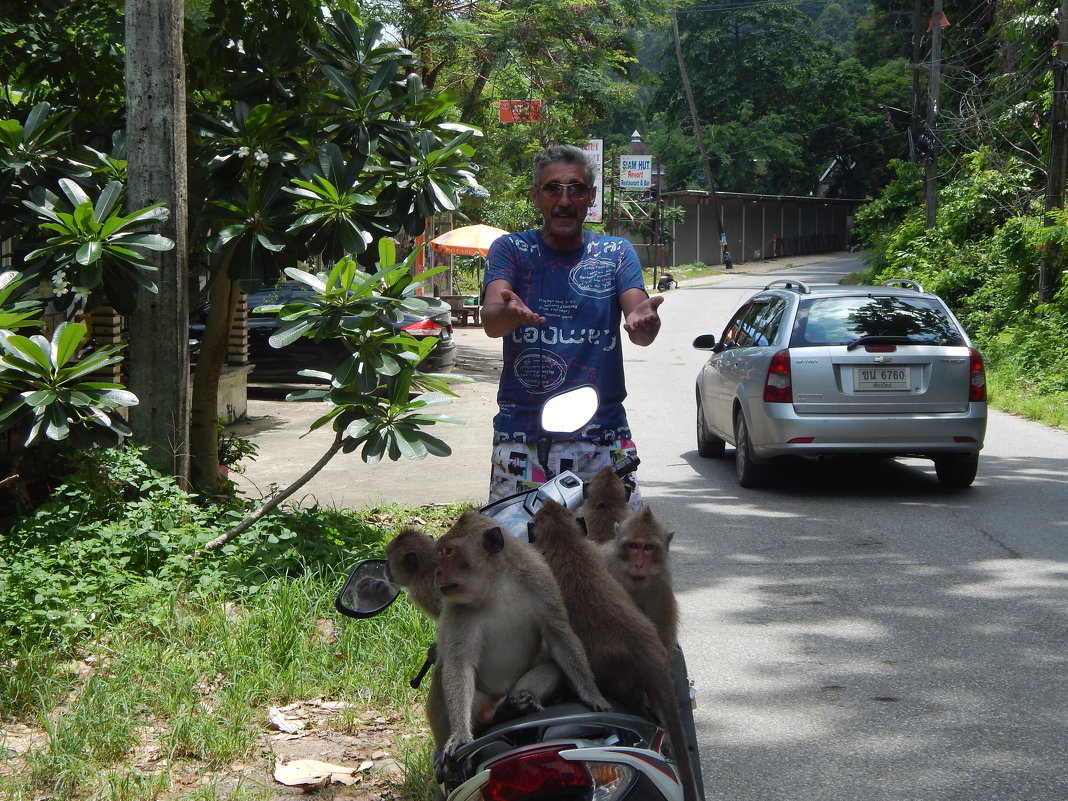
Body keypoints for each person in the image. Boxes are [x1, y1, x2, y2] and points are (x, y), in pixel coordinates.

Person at [481, 144, 663, 506]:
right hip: (523, 437)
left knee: (613, 555)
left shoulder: (616, 253)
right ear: (536, 196)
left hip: (604, 437)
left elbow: (639, 319)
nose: (565, 199)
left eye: (576, 188)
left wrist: (645, 324)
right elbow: (491, 318)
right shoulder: (511, 249)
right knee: (521, 556)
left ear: (590, 196)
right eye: (553, 188)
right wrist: (508, 313)